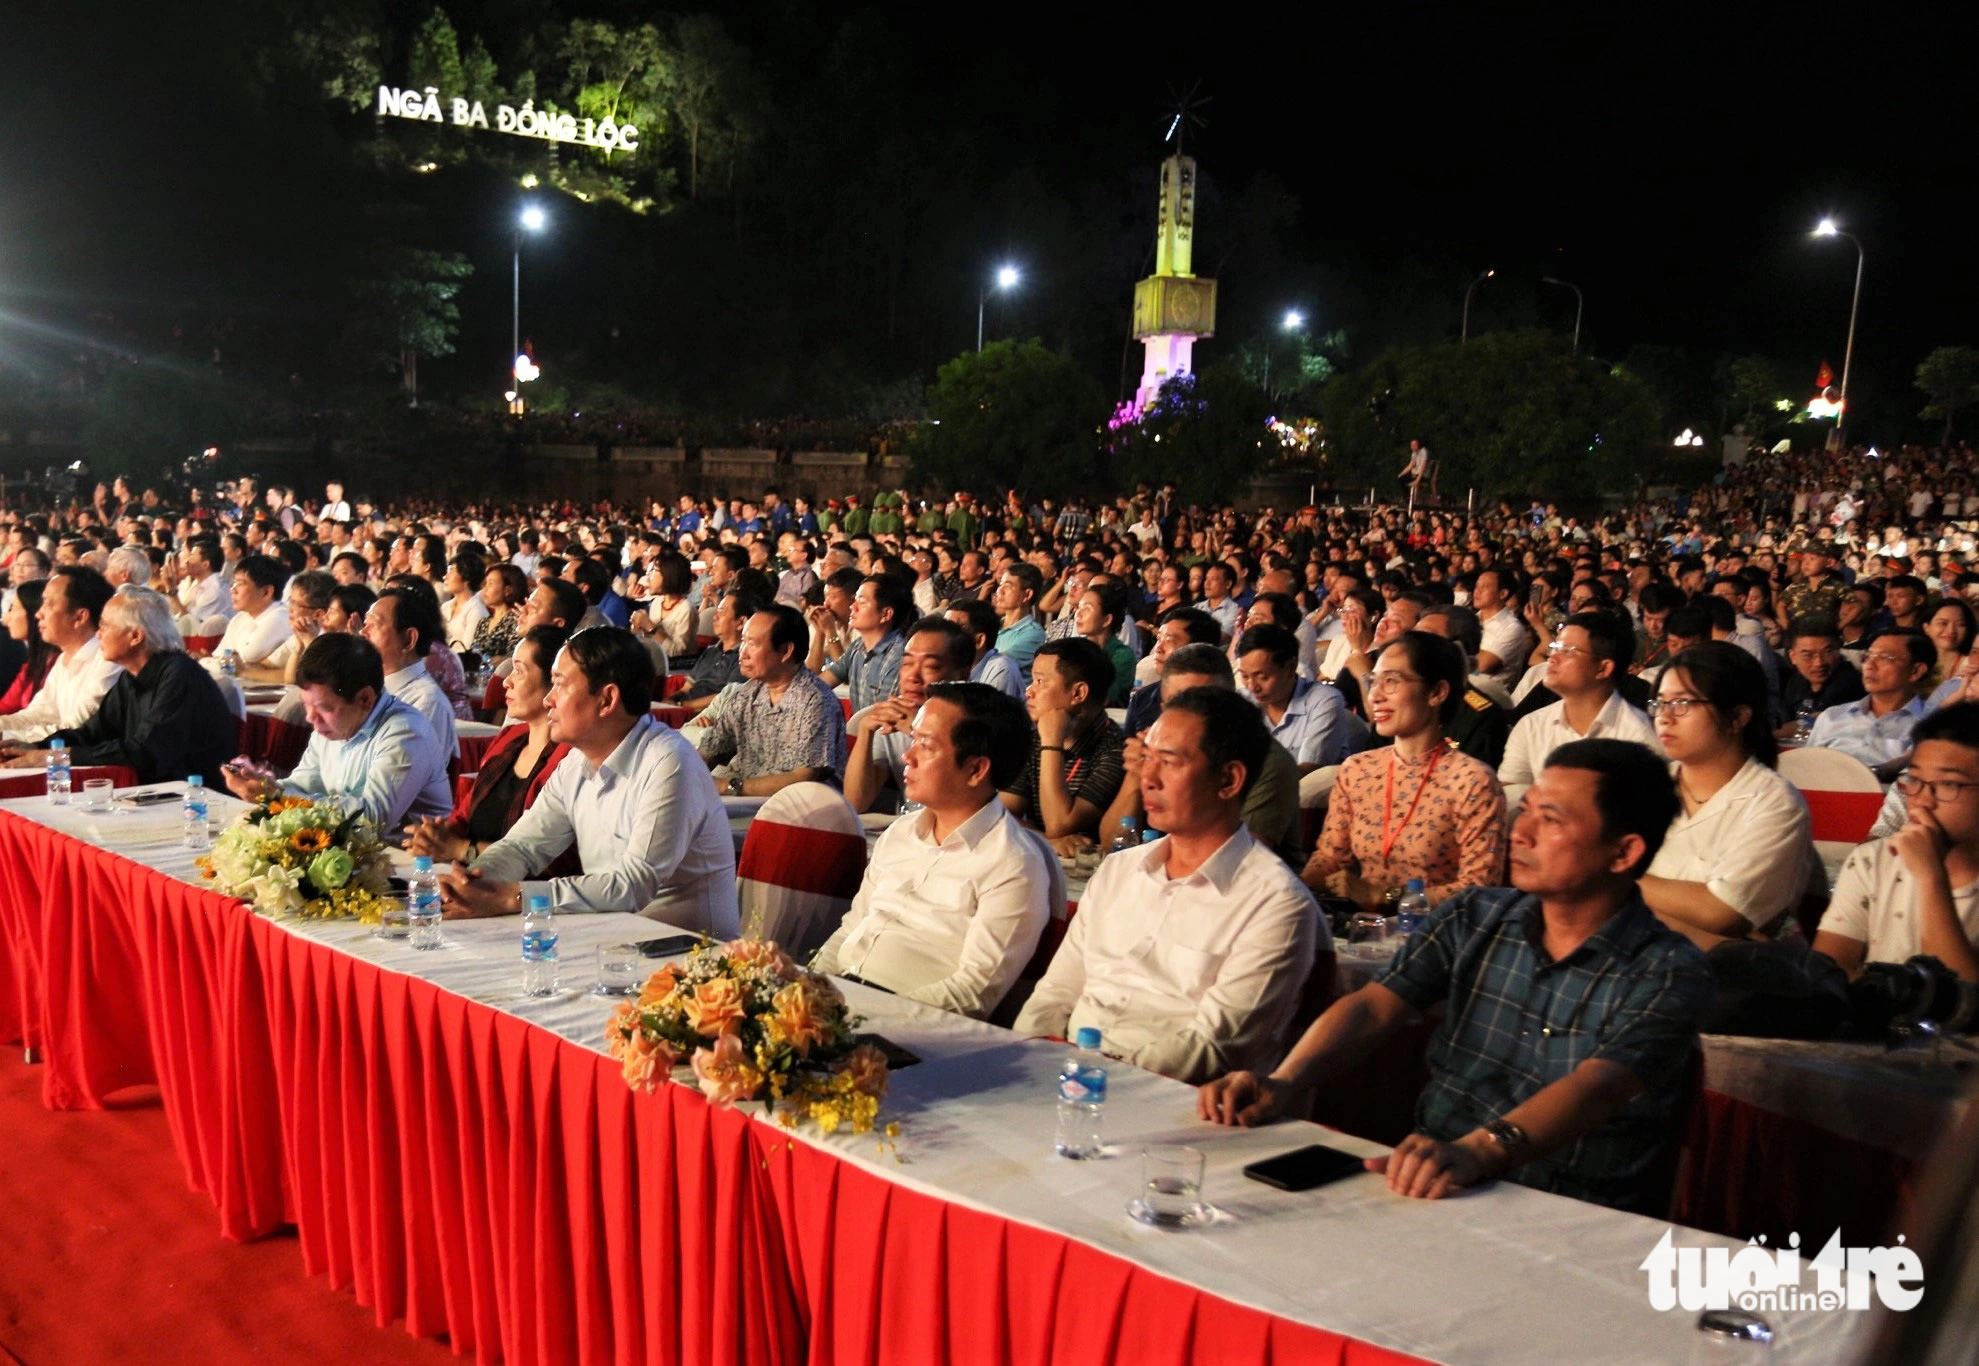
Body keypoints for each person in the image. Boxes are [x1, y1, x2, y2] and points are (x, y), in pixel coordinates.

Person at [1200, 739, 1711, 1212]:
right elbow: (1374, 1007)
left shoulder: (1667, 969)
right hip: (1436, 1180)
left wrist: (1479, 1152)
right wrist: (1285, 1081)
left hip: (1572, 1209)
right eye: (1526, 809)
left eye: (1550, 820)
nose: (1521, 832)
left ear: (1624, 852)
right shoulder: (1476, 916)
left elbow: (1600, 1086)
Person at [1014, 686, 1322, 1084]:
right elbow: (1054, 994)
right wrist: (1026, 1056)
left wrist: (1087, 1072)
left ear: (1229, 780)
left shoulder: (1275, 901)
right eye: (1147, 759)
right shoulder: (1118, 871)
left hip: (1170, 1102)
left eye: (1170, 763)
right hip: (1063, 1077)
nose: (1149, 778)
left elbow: (1212, 1047)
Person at [441, 627, 739, 935]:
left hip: (684, 949)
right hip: (609, 932)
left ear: (607, 698)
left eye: (559, 685)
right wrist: (471, 882)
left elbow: (634, 885)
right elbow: (524, 847)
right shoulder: (576, 761)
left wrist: (516, 897)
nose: (548, 700)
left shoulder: (670, 763)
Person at [814, 682, 1055, 1018]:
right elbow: (851, 927)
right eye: (913, 740)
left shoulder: (1012, 863)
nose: (907, 756)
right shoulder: (900, 833)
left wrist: (862, 1014)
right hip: (844, 1001)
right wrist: (809, 987)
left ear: (975, 769)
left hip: (910, 1029)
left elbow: (972, 993)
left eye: (925, 746)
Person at [1301, 631, 1508, 907]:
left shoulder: (1472, 781)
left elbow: (1480, 890)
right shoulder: (1358, 770)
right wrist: (1295, 887)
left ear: (1437, 693)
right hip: (1364, 929)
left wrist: (1385, 896)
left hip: (1438, 935)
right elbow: (1330, 858)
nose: (1375, 695)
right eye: (1373, 681)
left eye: (1391, 681)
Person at [1640, 642, 1816, 950]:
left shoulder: (1774, 803)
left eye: (1682, 703)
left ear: (1737, 717)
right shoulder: (1645, 785)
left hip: (1729, 983)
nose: (1664, 717)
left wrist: (1616, 879)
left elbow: (1725, 912)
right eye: (1660, 703)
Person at [1098, 643, 1306, 868]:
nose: (1190, 716)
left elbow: (1236, 865)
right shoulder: (1153, 755)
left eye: (1205, 705)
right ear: (1162, 707)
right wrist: (1135, 780)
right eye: (1179, 705)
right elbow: (1112, 847)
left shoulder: (1267, 760)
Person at [1814, 702, 1979, 982]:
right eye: (1914, 780)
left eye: (1949, 784)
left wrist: (1930, 878)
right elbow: (1827, 972)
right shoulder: (1876, 860)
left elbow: (1965, 1007)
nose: (1921, 800)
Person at [2, 587, 234, 784]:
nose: (98, 634)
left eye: (105, 627)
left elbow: (145, 751)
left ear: (135, 636)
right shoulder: (131, 675)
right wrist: (34, 748)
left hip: (195, 795)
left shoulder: (178, 675)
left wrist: (55, 756)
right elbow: (93, 732)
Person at [224, 634, 453, 828]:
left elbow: (372, 820)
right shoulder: (330, 726)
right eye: (306, 704)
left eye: (325, 707)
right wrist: (264, 788)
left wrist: (279, 797)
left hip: (414, 866)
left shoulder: (405, 732)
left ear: (364, 699)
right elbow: (304, 786)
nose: (310, 717)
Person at [407, 626, 574, 869]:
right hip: (473, 879)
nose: (507, 681)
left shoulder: (571, 757)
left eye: (519, 671)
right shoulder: (510, 738)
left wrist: (463, 850)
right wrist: (438, 835)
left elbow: (557, 860)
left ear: (554, 682)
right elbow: (465, 815)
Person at [700, 603, 848, 796]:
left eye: (752, 644)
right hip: (750, 803)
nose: (742, 652)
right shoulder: (748, 694)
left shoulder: (814, 700)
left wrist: (728, 787)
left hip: (803, 811)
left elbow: (803, 778)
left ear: (786, 651)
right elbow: (710, 750)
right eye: (743, 641)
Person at [1498, 612, 1658, 786]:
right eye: (1555, 647)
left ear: (1603, 668)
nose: (1553, 658)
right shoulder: (1532, 725)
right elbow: (1511, 795)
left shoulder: (1639, 737)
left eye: (1567, 651)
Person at [1002, 636, 1127, 846]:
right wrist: (1046, 842)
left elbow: (1059, 824)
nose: (1029, 691)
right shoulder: (1033, 737)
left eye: (1040, 682)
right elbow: (1002, 814)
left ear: (1078, 693)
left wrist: (1051, 742)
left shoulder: (1114, 750)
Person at [843, 617, 975, 813]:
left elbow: (969, 803)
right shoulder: (893, 719)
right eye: (906, 663)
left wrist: (919, 733)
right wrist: (865, 732)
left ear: (963, 674)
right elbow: (856, 803)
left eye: (931, 667)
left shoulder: (978, 720)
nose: (913, 677)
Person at [0, 565, 122, 744]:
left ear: (79, 617)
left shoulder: (108, 661)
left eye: (48, 605)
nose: (39, 614)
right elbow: (40, 713)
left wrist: (10, 736)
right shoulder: (63, 660)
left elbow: (77, 728)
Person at [1804, 629, 1931, 778]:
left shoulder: (1929, 726)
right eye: (1867, 656)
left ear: (1916, 671)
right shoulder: (1832, 716)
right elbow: (1806, 770)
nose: (1870, 665)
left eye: (1885, 657)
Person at [1234, 624, 1352, 773]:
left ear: (1290, 668)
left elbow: (1309, 770)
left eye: (1262, 677)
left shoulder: (1324, 701)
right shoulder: (1241, 702)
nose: (1252, 686)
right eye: (1244, 676)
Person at [362, 586, 457, 761]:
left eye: (373, 625)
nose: (363, 632)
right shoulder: (365, 686)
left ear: (408, 639)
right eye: (364, 624)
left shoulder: (426, 703)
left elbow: (399, 781)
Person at [821, 573, 912, 713]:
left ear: (886, 614)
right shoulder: (858, 646)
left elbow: (882, 717)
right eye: (855, 599)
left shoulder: (898, 657)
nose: (852, 606)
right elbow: (821, 683)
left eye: (862, 601)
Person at [213, 555, 293, 667]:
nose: (233, 589)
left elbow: (248, 656)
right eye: (234, 582)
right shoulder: (241, 616)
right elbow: (220, 654)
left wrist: (224, 661)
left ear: (266, 592)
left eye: (240, 584)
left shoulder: (279, 618)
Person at [945, 597, 1025, 701]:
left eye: (953, 629)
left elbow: (988, 716)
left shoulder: (1001, 669)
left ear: (979, 641)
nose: (941, 635)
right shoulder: (946, 666)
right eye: (943, 626)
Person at [1072, 579, 1138, 707]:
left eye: (1087, 608)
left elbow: (1102, 698)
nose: (1078, 614)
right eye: (1079, 607)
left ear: (1107, 619)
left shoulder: (1122, 656)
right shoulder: (1075, 648)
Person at [0, 581, 58, 716]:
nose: (6, 618)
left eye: (13, 609)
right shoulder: (33, 664)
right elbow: (6, 706)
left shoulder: (56, 663)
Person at [1470, 567, 1532, 695]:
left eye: (1485, 587)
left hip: (1489, 699)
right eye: (1476, 586)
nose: (1477, 591)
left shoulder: (1511, 628)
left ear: (1503, 594)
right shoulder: (1469, 618)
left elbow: (1483, 665)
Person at [630, 552, 695, 658]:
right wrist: (638, 628)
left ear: (669, 575)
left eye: (653, 571)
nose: (648, 578)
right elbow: (649, 643)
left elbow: (678, 653)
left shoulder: (686, 609)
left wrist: (650, 627)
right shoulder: (657, 602)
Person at [991, 563, 1046, 686]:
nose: (1000, 590)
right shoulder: (993, 625)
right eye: (1000, 585)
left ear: (1027, 595)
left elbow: (997, 664)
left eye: (1008, 586)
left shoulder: (1033, 634)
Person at [472, 563, 530, 661]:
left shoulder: (516, 620)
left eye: (491, 583)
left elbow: (512, 658)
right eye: (485, 583)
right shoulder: (484, 622)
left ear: (508, 590)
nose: (484, 589)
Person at [440, 550, 490, 652]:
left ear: (466, 576)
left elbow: (468, 650)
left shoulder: (476, 611)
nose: (445, 577)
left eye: (451, 571)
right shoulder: (446, 607)